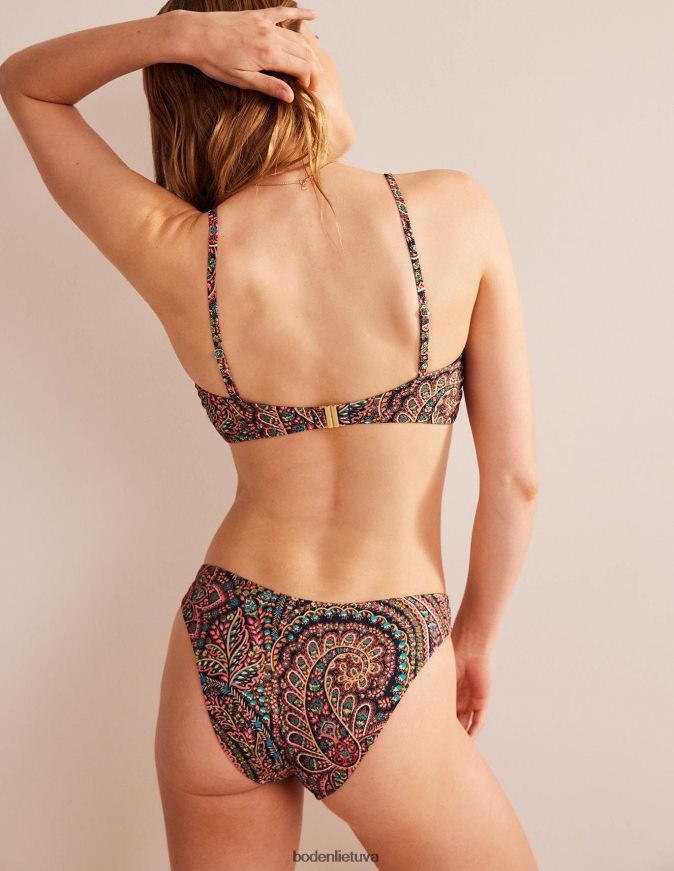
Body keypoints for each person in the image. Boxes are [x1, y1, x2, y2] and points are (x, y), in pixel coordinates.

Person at [0, 2, 540, 868]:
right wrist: (474, 639)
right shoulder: (453, 211)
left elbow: (26, 85)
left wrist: (175, 39)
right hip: (382, 650)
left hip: (225, 642)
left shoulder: (178, 248)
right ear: (291, 67)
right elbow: (515, 480)